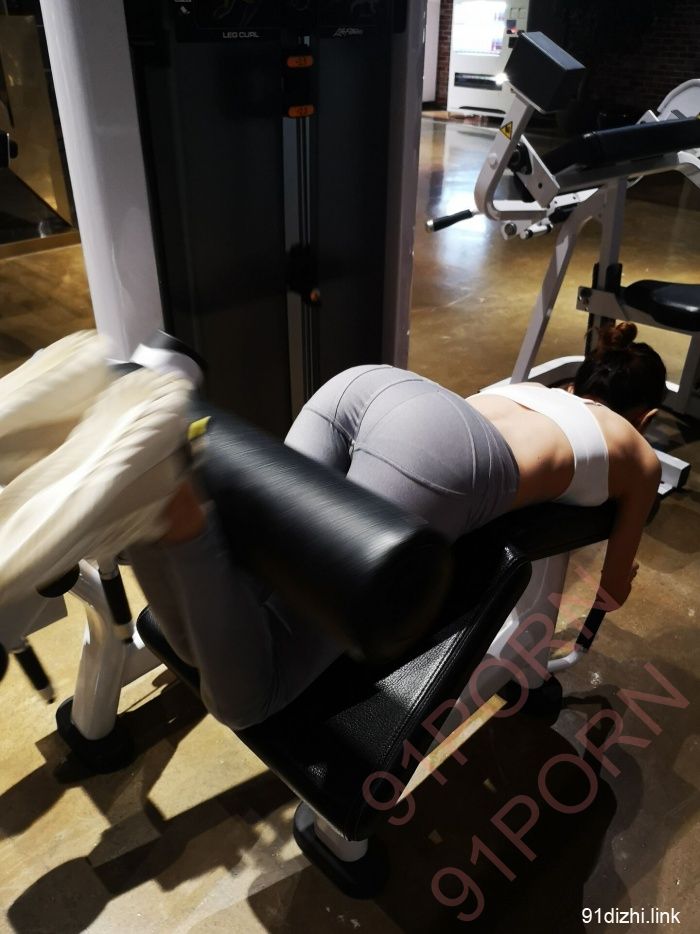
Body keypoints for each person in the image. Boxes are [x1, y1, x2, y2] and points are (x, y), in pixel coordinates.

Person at [0, 322, 665, 728]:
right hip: (440, 455)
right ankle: (173, 512)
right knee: (247, 700)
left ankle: (152, 495)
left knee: (240, 605)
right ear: (646, 417)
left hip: (372, 389)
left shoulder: (537, 389)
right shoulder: (637, 452)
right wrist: (620, 578)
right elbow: (611, 588)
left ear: (582, 382)